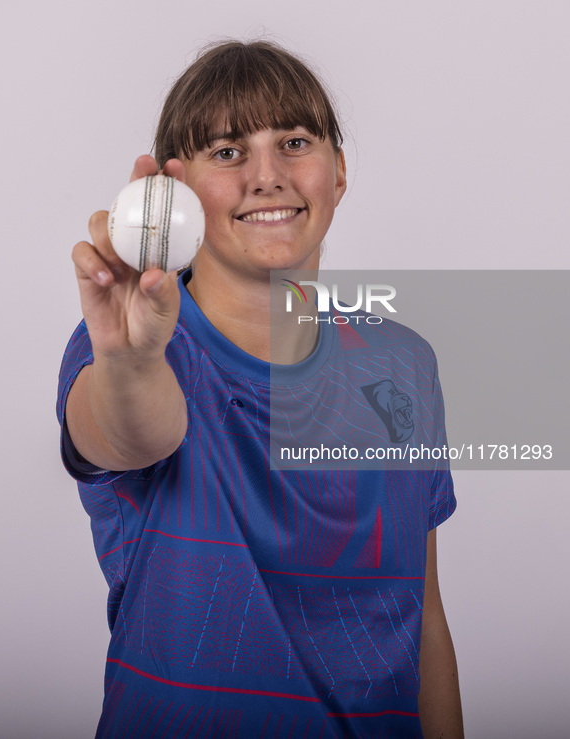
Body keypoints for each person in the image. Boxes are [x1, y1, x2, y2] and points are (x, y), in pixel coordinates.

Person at [57, 40, 464, 738]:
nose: (267, 175)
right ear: (173, 194)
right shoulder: (130, 348)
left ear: (337, 171)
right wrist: (128, 364)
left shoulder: (402, 364)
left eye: (295, 141)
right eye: (226, 151)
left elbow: (421, 613)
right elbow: (129, 431)